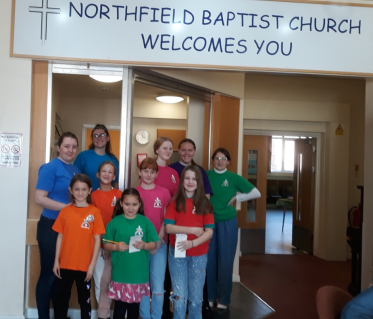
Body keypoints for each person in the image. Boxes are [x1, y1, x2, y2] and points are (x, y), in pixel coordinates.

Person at [206, 148, 261, 309]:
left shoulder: (233, 177)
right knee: (209, 261)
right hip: (208, 222)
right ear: (213, 160)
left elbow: (256, 192)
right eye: (217, 158)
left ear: (228, 161)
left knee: (225, 261)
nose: (220, 161)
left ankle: (223, 299)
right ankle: (209, 296)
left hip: (228, 222)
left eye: (223, 158)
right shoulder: (207, 175)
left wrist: (238, 197)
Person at [34, 132, 80, 319]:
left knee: (61, 276)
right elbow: (39, 198)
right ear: (58, 147)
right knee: (49, 274)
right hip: (50, 227)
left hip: (68, 229)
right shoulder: (50, 168)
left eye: (74, 147)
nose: (70, 150)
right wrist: (69, 208)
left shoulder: (75, 169)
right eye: (67, 146)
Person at [52, 174, 105, 319]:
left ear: (90, 191)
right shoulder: (65, 211)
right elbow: (60, 237)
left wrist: (92, 265)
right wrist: (57, 261)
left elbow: (97, 241)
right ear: (71, 190)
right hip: (65, 265)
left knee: (84, 301)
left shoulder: (94, 212)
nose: (80, 193)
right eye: (76, 189)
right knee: (62, 299)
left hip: (84, 266)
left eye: (83, 189)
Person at [164, 165, 214, 319]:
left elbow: (209, 232)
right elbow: (169, 228)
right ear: (182, 181)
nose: (190, 181)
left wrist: (192, 243)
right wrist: (192, 230)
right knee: (179, 296)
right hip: (177, 254)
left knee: (196, 298)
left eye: (194, 179)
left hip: (198, 255)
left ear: (199, 182)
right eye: (187, 178)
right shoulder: (174, 202)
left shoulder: (204, 204)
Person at [103, 188, 159, 319]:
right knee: (119, 309)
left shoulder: (145, 222)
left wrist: (145, 245)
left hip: (138, 275)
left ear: (139, 204)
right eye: (127, 204)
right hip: (120, 274)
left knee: (134, 310)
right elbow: (106, 243)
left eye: (134, 204)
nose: (130, 208)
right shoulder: (114, 223)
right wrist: (116, 247)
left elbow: (154, 244)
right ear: (121, 204)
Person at [135, 158, 171, 319]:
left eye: (152, 171)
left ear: (156, 173)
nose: (148, 174)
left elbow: (167, 219)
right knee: (142, 284)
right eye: (145, 171)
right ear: (139, 172)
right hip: (139, 245)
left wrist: (157, 241)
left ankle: (156, 315)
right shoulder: (134, 192)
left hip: (160, 244)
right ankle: (144, 315)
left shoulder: (163, 192)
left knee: (157, 286)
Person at [91, 161, 123, 319]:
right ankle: (103, 315)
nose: (106, 174)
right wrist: (103, 245)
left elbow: (123, 221)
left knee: (116, 281)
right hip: (98, 246)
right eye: (103, 171)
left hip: (116, 246)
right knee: (101, 283)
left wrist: (110, 244)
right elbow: (93, 224)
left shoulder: (119, 195)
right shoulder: (92, 196)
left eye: (110, 172)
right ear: (98, 174)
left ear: (114, 176)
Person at [153, 137, 179, 319]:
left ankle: (162, 312)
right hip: (150, 227)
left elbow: (175, 201)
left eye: (170, 148)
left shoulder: (173, 173)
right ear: (156, 150)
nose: (168, 151)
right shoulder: (149, 168)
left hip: (167, 228)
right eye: (164, 148)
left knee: (163, 275)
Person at [74, 124, 119, 191]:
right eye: (95, 135)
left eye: (102, 135)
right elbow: (74, 180)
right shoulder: (82, 156)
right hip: (85, 198)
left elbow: (115, 184)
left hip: (106, 199)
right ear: (92, 139)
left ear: (108, 138)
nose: (99, 138)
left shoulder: (113, 159)